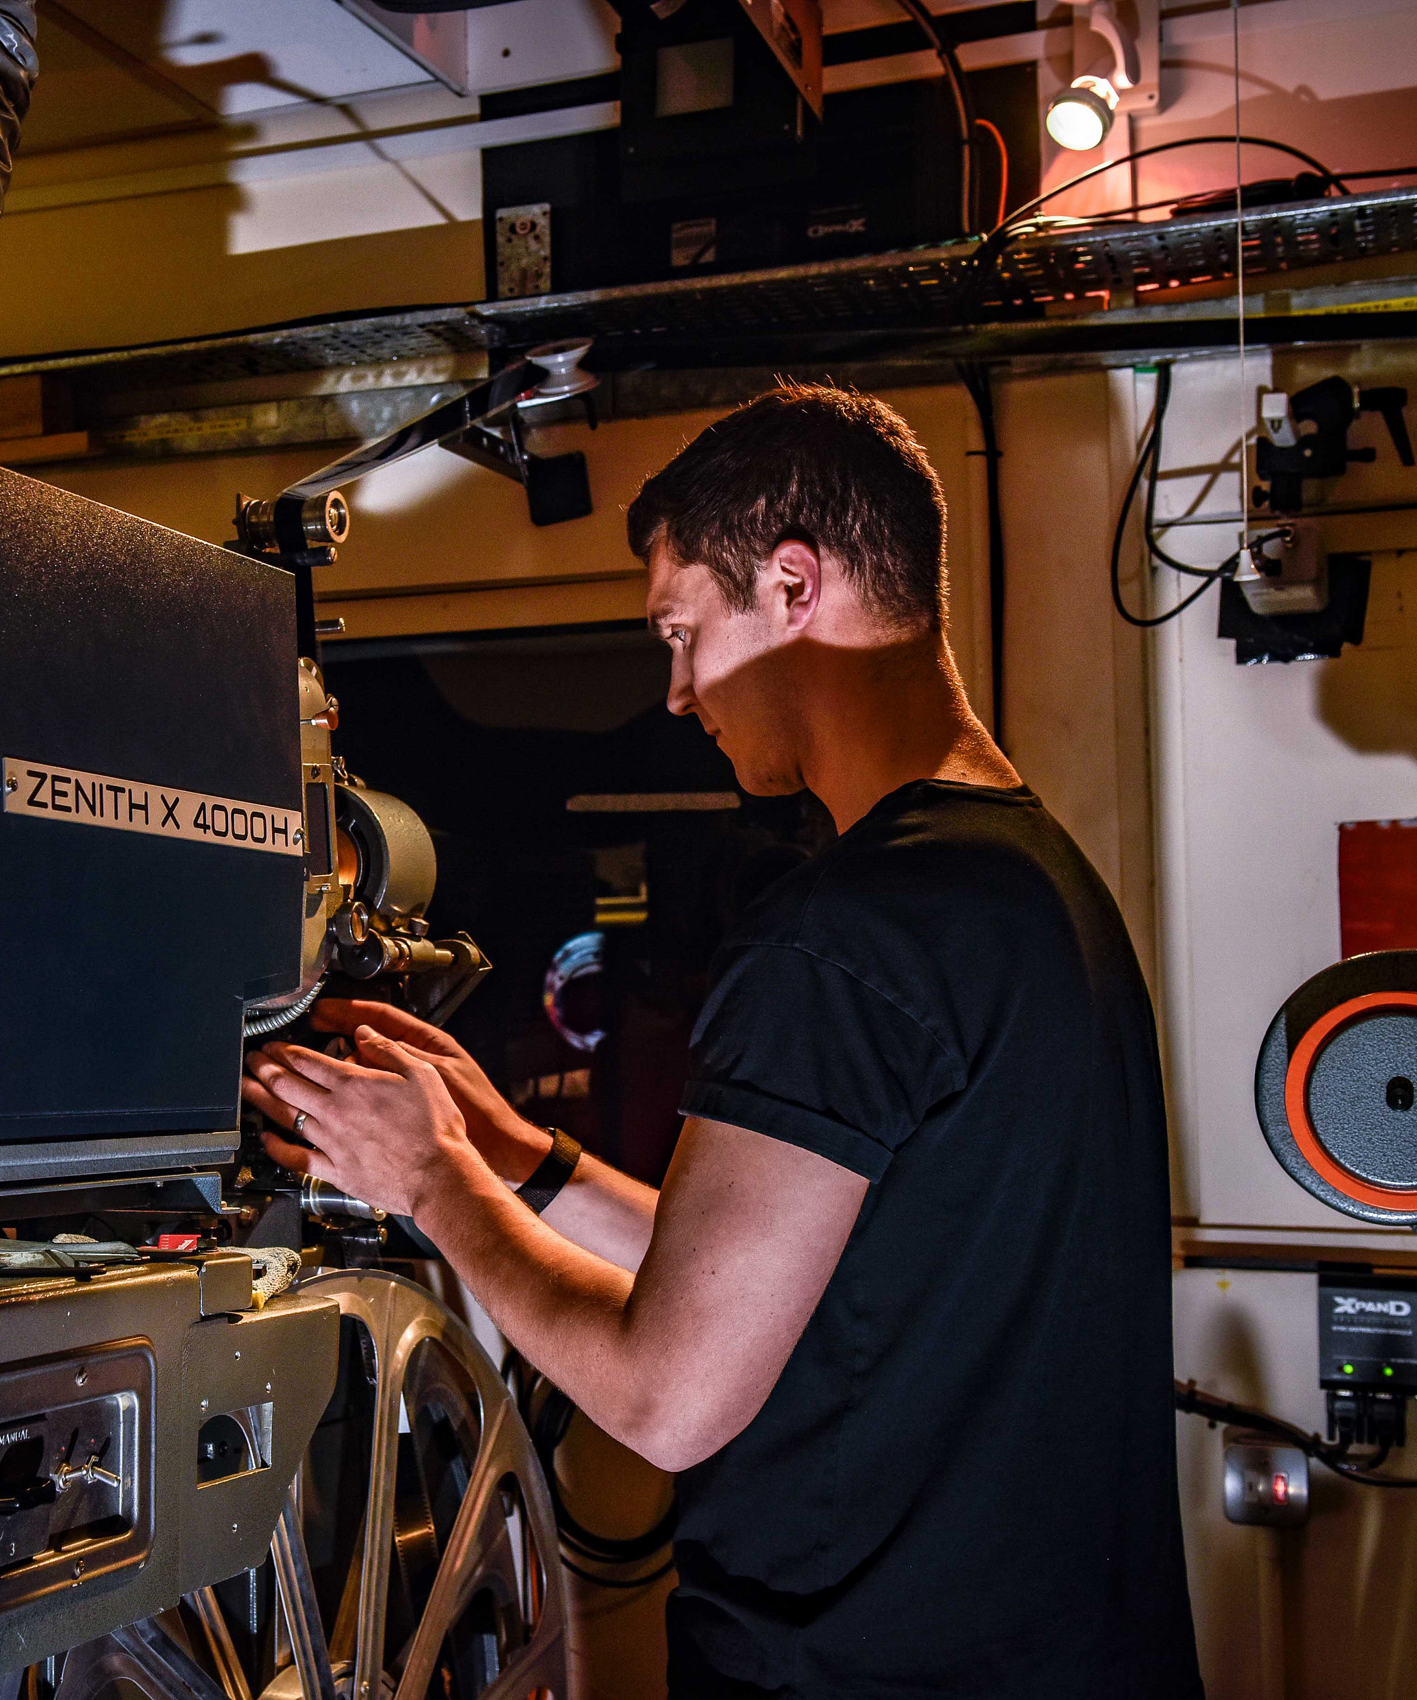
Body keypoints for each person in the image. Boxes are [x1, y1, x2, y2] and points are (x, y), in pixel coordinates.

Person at [242, 383, 1200, 1699]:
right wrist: (515, 1157)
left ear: (793, 585)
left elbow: (668, 1396)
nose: (679, 692)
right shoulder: (1026, 884)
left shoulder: (839, 933)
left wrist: (426, 1185)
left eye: (681, 631)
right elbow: (802, 1269)